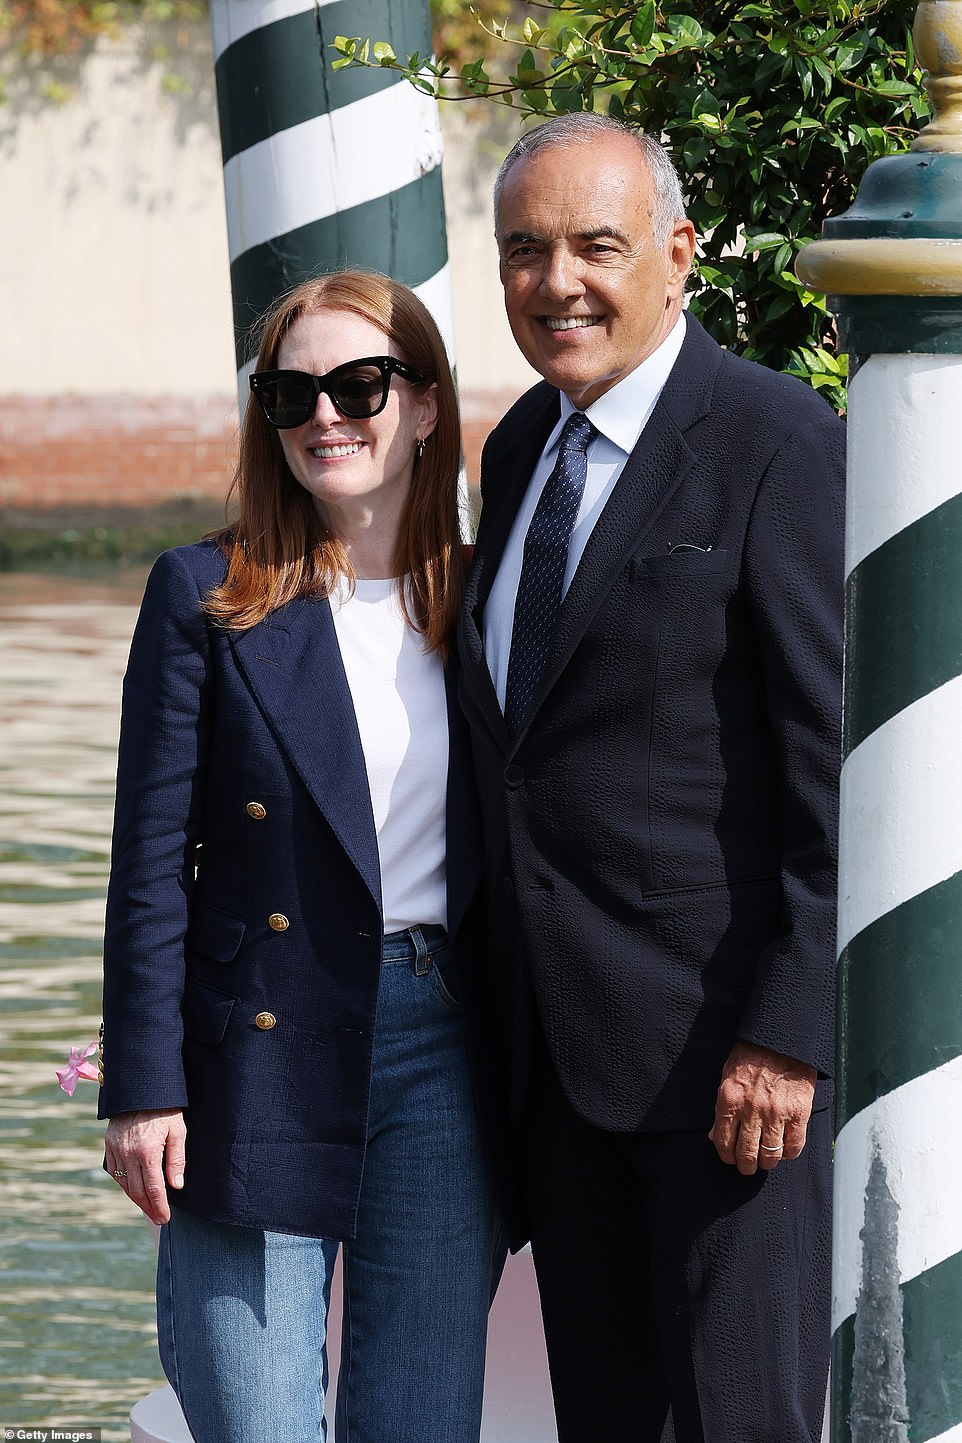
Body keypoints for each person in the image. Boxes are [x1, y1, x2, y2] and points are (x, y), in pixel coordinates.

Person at [458, 113, 844, 1442]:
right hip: (553, 1075)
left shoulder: (772, 442)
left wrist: (789, 1031)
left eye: (592, 245)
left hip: (727, 1075)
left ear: (675, 253)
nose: (553, 279)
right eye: (522, 249)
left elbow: (832, 761)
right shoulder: (515, 452)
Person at [98, 271, 505, 1443]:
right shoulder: (205, 593)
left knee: (421, 1425)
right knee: (261, 1426)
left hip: (441, 1047)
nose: (325, 416)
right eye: (290, 393)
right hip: (252, 1056)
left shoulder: (479, 599)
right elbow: (147, 865)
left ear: (425, 405)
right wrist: (143, 1086)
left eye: (359, 385)